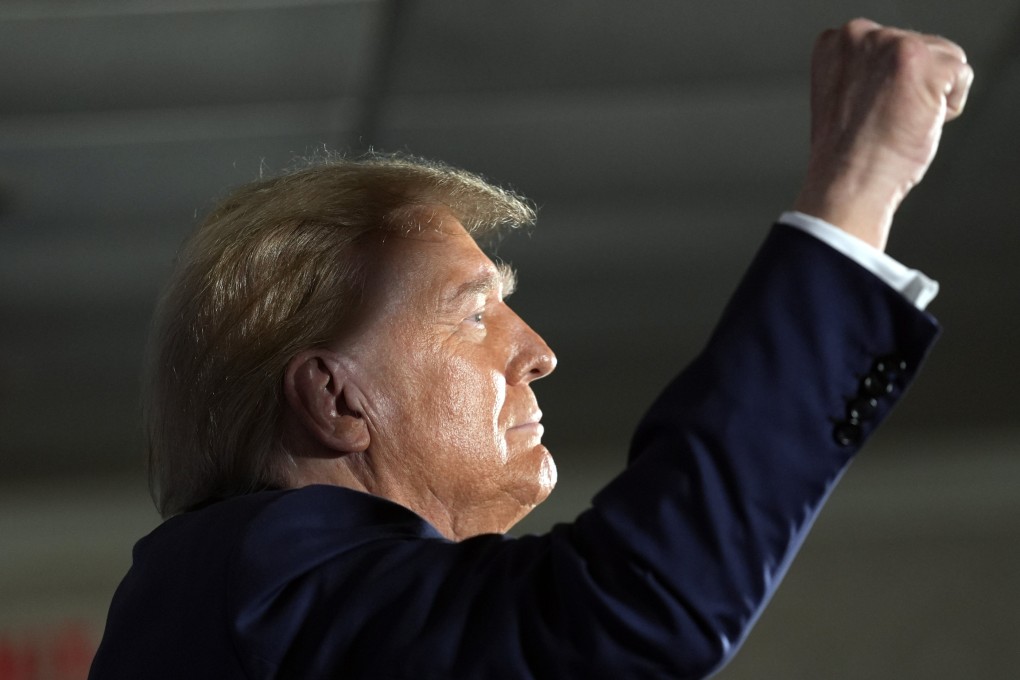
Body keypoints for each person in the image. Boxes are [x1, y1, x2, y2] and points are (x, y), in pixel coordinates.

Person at [89, 18, 972, 679]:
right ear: (335, 398)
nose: (538, 352)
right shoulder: (254, 576)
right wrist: (857, 188)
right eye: (476, 315)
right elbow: (627, 607)